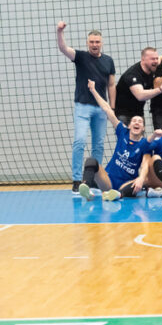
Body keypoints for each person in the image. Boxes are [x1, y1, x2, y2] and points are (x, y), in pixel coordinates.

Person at [56, 21, 116, 195]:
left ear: (101, 43)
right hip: (82, 106)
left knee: (99, 145)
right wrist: (59, 31)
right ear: (87, 43)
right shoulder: (81, 57)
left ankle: (94, 180)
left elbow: (111, 85)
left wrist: (111, 107)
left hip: (101, 108)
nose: (94, 44)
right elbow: (63, 48)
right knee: (79, 141)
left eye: (97, 42)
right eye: (92, 42)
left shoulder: (108, 61)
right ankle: (77, 180)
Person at [78, 80, 161, 202]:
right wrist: (93, 90)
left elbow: (145, 164)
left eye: (140, 122)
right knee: (91, 161)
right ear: (129, 126)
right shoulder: (122, 132)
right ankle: (86, 187)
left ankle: (118, 194)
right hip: (108, 181)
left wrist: (141, 179)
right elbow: (107, 109)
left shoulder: (144, 144)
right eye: (134, 121)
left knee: (140, 182)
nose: (137, 123)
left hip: (127, 184)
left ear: (143, 128)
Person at [114, 47, 162, 125]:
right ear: (143, 59)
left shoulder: (153, 65)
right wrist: (160, 89)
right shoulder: (133, 74)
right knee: (126, 133)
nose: (156, 61)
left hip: (138, 112)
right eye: (152, 59)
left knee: (140, 133)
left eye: (156, 58)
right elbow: (140, 96)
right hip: (124, 114)